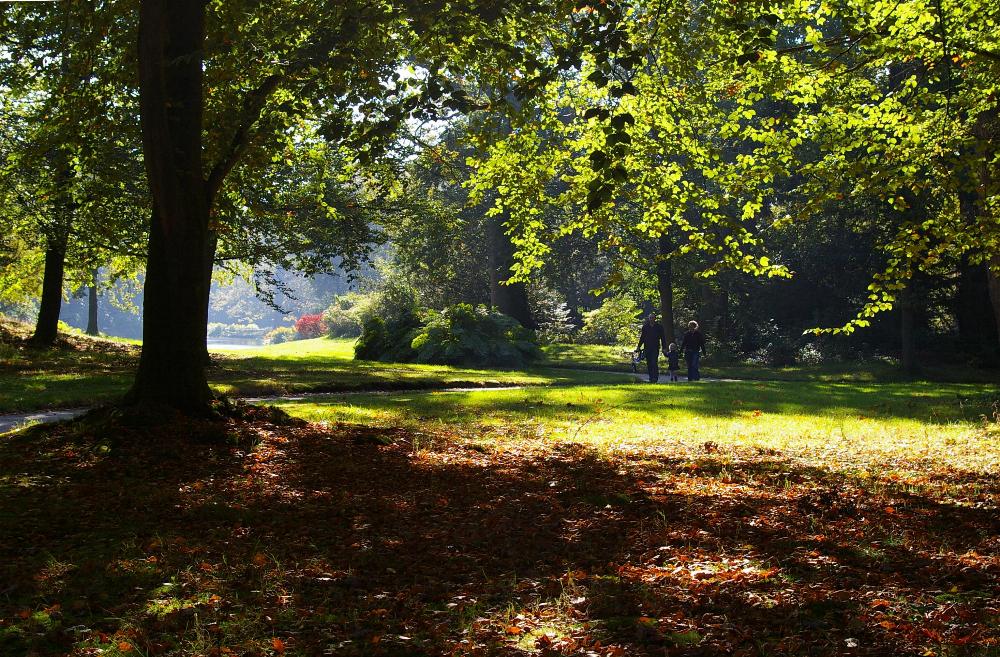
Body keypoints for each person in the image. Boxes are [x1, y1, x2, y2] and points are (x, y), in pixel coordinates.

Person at [635, 313, 667, 383]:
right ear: (648, 318)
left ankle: (655, 377)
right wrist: (638, 346)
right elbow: (642, 337)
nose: (651, 319)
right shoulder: (645, 327)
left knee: (654, 362)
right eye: (650, 318)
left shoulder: (659, 327)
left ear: (655, 318)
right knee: (649, 363)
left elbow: (663, 338)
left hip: (655, 347)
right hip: (647, 347)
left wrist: (664, 347)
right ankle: (651, 377)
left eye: (652, 318)